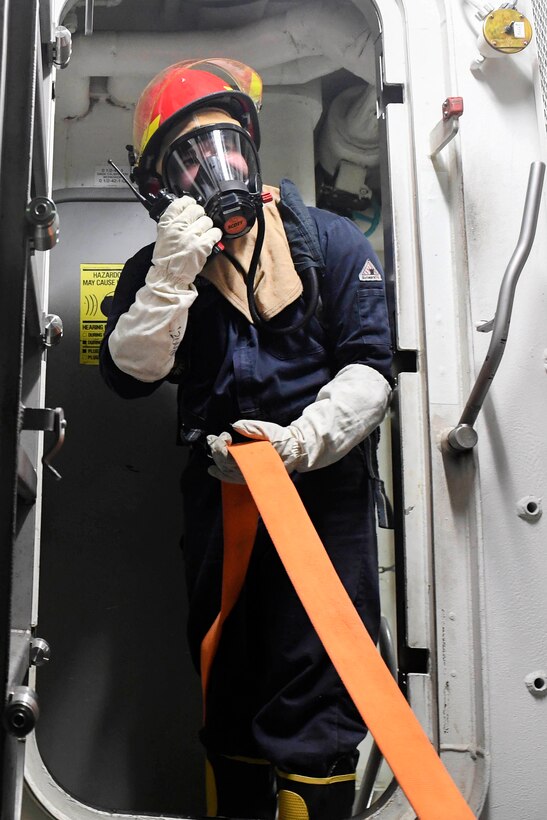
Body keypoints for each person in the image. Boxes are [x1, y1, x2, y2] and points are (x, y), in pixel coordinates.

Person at [100, 58, 393, 820]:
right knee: (227, 673)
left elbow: (370, 370)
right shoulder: (158, 268)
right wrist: (169, 280)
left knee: (318, 678)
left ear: (251, 147)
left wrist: (300, 442)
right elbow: (130, 375)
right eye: (188, 156)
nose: (213, 167)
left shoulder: (325, 242)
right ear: (161, 182)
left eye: (223, 144)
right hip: (219, 500)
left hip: (322, 500)